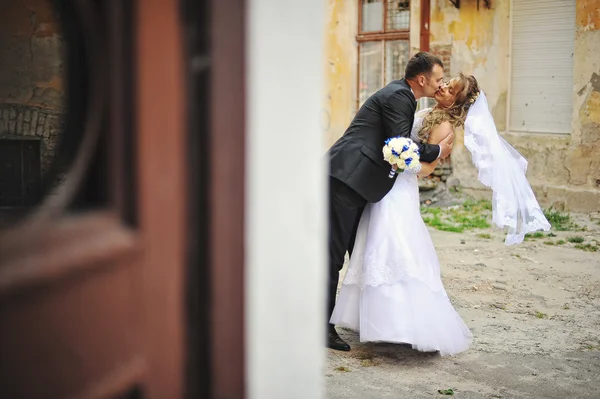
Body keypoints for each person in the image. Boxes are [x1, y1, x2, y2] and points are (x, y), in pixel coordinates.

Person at [330, 74, 551, 355]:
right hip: (384, 186)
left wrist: (399, 158)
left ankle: (400, 323)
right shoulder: (425, 110)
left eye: (450, 88)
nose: (443, 86)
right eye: (446, 80)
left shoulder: (445, 126)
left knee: (394, 248)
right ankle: (372, 317)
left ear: (456, 101)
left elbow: (426, 169)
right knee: (371, 246)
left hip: (400, 188)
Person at [326, 52, 454, 351]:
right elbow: (400, 143)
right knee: (332, 255)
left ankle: (356, 316)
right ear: (422, 79)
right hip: (346, 178)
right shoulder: (400, 96)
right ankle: (321, 327)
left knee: (355, 253)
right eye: (437, 79)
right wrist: (436, 151)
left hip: (360, 183)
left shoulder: (403, 95)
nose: (440, 84)